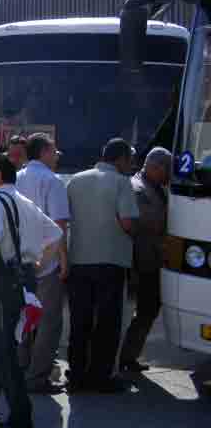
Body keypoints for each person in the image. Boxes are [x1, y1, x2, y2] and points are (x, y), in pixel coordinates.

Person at [0, 153, 62, 428]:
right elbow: (55, 235)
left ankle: (21, 417)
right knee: (4, 344)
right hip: (22, 278)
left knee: (3, 349)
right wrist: (39, 264)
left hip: (1, 282)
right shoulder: (24, 201)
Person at [66, 138, 139, 394]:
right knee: (107, 322)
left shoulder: (76, 179)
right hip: (111, 261)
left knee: (80, 320)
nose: (131, 165)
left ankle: (76, 375)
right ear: (119, 159)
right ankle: (100, 377)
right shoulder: (121, 182)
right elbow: (128, 223)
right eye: (129, 159)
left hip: (79, 259)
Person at [15, 133, 70, 393]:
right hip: (45, 261)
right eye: (54, 150)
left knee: (26, 316)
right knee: (49, 321)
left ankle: (21, 366)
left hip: (19, 258)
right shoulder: (53, 181)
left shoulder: (17, 177)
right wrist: (63, 260)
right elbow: (58, 226)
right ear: (45, 152)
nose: (57, 156)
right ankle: (38, 377)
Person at [120, 147, 172, 373]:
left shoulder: (156, 187)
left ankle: (129, 356)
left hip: (152, 258)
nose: (168, 174)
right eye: (166, 169)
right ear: (154, 166)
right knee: (146, 308)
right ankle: (126, 356)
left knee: (148, 308)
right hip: (143, 258)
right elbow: (150, 223)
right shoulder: (138, 189)